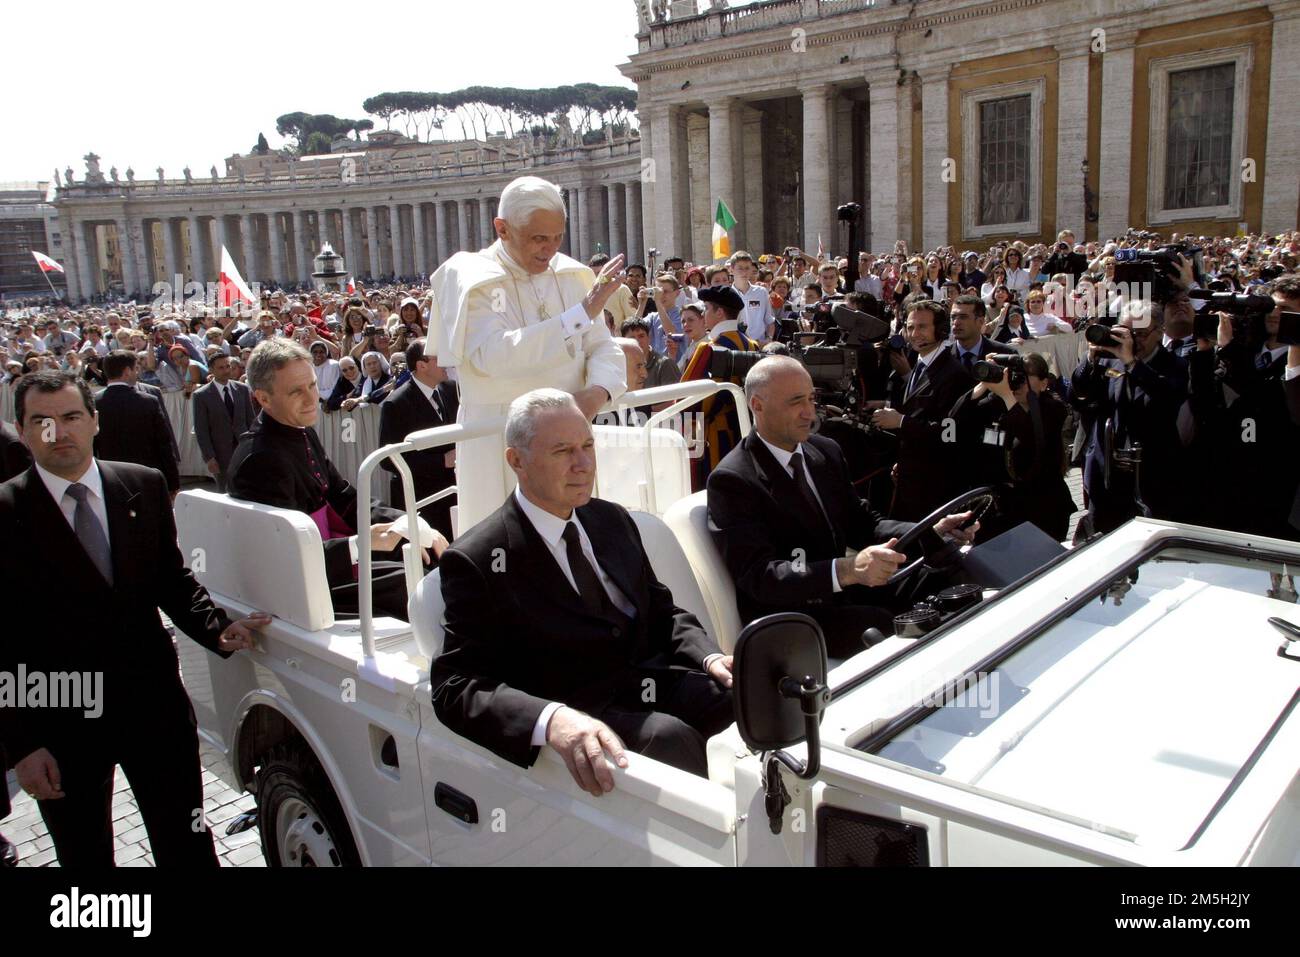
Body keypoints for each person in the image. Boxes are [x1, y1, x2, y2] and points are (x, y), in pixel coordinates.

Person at [0, 371, 270, 866]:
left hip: (153, 706)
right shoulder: (5, 511)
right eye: (42, 422)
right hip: (61, 722)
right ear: (21, 430)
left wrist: (217, 627)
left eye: (71, 417)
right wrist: (22, 744)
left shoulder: (141, 486)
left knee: (185, 838)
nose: (58, 433)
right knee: (84, 854)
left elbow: (170, 578)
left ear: (94, 421)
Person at [431, 389, 733, 788]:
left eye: (588, 445)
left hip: (654, 682)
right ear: (516, 460)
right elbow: (456, 686)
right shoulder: (478, 559)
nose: (583, 464)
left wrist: (710, 657)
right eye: (562, 451)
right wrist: (551, 719)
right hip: (582, 708)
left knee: (746, 701)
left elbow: (662, 610)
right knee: (670, 742)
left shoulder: (611, 519)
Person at [708, 357, 977, 657]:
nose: (809, 413)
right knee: (885, 626)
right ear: (757, 405)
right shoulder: (732, 480)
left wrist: (930, 530)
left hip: (843, 593)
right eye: (796, 402)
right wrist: (848, 570)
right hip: (793, 617)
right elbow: (761, 577)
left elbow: (864, 523)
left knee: (947, 579)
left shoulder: (824, 451)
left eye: (812, 399)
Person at [427, 175, 627, 533]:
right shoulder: (471, 277)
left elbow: (602, 346)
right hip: (497, 440)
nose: (549, 250)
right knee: (503, 551)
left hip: (569, 437)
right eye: (538, 238)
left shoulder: (570, 274)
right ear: (502, 228)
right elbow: (493, 355)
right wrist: (579, 315)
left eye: (557, 238)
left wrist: (596, 394)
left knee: (577, 541)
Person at [227, 340, 445, 619]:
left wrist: (409, 521)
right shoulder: (259, 460)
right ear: (263, 398)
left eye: (312, 385)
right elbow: (282, 557)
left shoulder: (299, 429)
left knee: (431, 557)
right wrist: (361, 543)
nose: (310, 399)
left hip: (329, 556)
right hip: (304, 583)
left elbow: (342, 496)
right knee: (417, 586)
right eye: (296, 391)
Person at [1069, 298, 1190, 535]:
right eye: (1127, 332)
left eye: (1141, 334)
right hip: (1106, 474)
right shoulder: (1107, 358)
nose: (1133, 340)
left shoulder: (1175, 364)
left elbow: (1166, 399)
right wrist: (1089, 361)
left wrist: (1132, 364)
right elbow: (1078, 398)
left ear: (1159, 331)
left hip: (1152, 475)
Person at [870, 300, 975, 521]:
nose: (914, 333)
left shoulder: (954, 374)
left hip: (937, 487)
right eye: (910, 327)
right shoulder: (917, 364)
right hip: (912, 479)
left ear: (941, 329)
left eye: (922, 327)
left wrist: (901, 422)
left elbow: (950, 434)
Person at [378, 338, 460, 537]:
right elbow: (388, 459)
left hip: (454, 493)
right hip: (423, 500)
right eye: (437, 358)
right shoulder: (396, 404)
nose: (445, 362)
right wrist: (441, 461)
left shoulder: (450, 390)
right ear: (421, 365)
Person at [680, 286, 761, 482]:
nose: (704, 314)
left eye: (707, 308)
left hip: (715, 436)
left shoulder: (708, 348)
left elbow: (687, 399)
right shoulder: (752, 344)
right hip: (746, 428)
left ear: (719, 312)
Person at [92, 350, 180, 497]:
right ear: (127, 371)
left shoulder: (94, 403)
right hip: (147, 478)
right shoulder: (148, 401)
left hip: (111, 479)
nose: (137, 373)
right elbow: (164, 444)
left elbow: (92, 445)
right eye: (135, 368)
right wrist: (172, 482)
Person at [192, 352, 256, 492]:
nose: (226, 370)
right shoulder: (201, 395)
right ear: (211, 370)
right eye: (221, 368)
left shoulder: (242, 389)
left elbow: (251, 421)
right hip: (220, 454)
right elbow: (201, 429)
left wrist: (254, 447)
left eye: (228, 366)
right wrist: (209, 457)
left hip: (243, 450)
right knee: (225, 491)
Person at [948, 295, 1016, 372]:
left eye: (963, 317)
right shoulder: (942, 358)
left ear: (980, 321)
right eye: (953, 317)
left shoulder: (1006, 354)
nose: (956, 322)